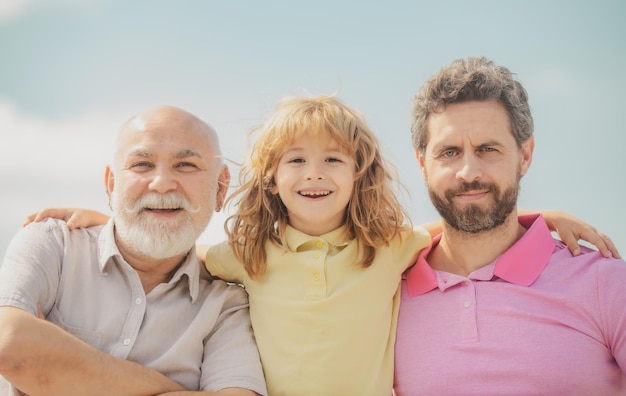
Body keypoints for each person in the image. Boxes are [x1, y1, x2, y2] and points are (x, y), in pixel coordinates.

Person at [24, 95, 620, 396]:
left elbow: (470, 226)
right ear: (272, 178)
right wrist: (112, 220)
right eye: (296, 161)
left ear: (358, 173)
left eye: (333, 160)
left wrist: (543, 216)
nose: (315, 174)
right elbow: (179, 251)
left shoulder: (389, 245)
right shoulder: (246, 256)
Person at [394, 56, 626, 395]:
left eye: (488, 149)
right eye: (449, 153)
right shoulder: (385, 294)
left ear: (525, 155)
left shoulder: (606, 283)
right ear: (421, 163)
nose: (468, 172)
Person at [0, 106, 267, 396]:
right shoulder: (52, 243)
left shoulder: (226, 306)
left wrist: (58, 361)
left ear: (221, 187)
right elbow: (10, 345)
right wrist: (173, 390)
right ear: (111, 184)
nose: (162, 183)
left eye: (186, 165)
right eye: (142, 164)